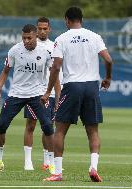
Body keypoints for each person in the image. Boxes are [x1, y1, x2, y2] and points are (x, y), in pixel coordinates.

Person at [42, 7, 113, 182]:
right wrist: (108, 78)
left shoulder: (61, 39)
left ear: (67, 20)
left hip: (72, 86)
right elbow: (109, 59)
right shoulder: (94, 36)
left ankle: (57, 173)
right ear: (81, 19)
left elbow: (56, 67)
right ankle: (93, 167)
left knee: (60, 130)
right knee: (93, 131)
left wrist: (48, 91)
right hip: (91, 86)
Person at [0, 24, 56, 174]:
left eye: (29, 38)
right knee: (1, 125)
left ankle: (52, 164)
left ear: (36, 36)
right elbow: (5, 71)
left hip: (37, 94)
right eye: (24, 38)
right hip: (16, 94)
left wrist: (49, 93)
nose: (26, 41)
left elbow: (53, 74)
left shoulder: (46, 52)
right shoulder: (14, 50)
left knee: (48, 126)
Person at [23, 17, 62, 173]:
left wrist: (58, 94)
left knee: (49, 127)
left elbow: (57, 72)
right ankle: (28, 161)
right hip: (33, 92)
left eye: (45, 28)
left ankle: (48, 161)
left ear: (49, 29)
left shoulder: (54, 46)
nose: (42, 31)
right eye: (39, 28)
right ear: (36, 29)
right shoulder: (30, 44)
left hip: (51, 92)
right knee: (31, 125)